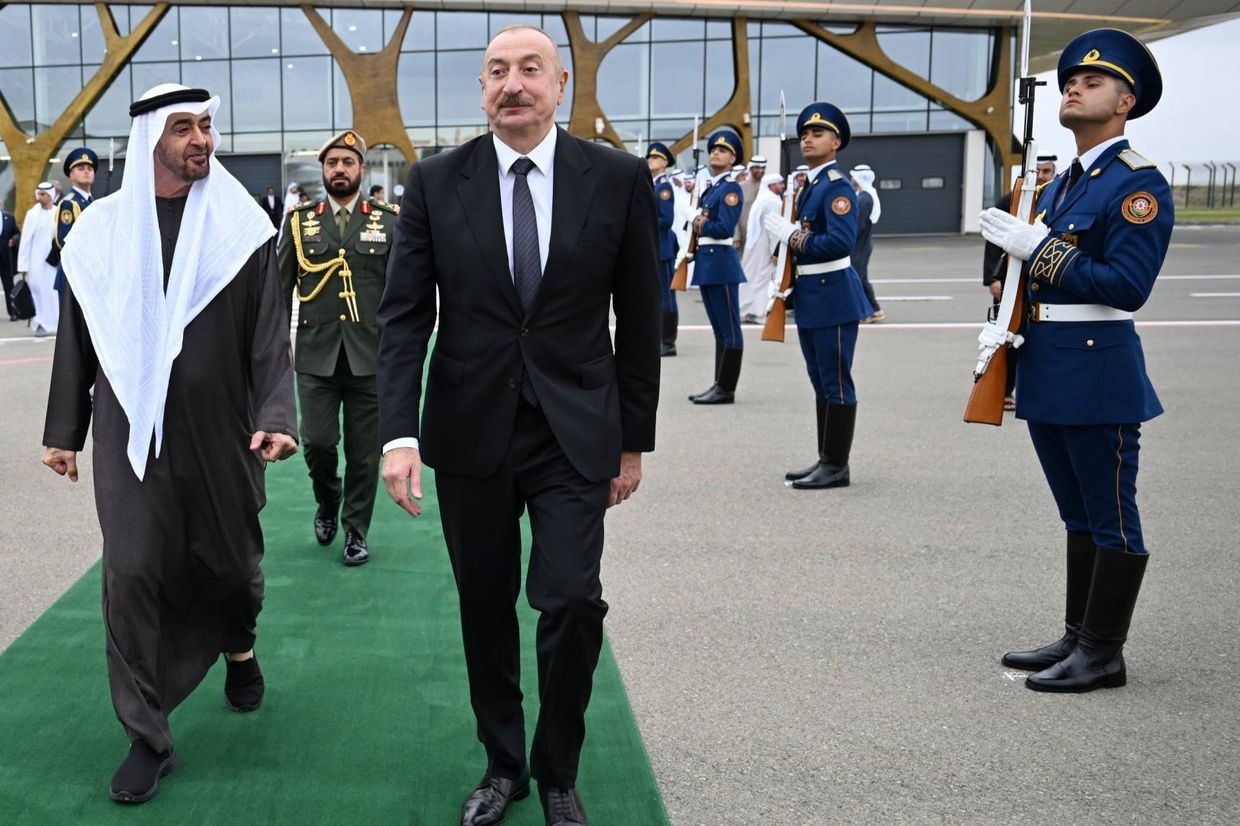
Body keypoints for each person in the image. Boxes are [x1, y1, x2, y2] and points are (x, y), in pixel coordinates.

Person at [376, 25, 659, 826]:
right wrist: (400, 435)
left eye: (530, 70)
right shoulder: (436, 182)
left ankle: (558, 767)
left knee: (571, 600)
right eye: (497, 72)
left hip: (576, 430)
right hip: (471, 431)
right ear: (481, 89)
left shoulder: (615, 178)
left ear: (560, 83)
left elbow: (640, 318)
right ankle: (504, 767)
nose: (513, 85)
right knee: (484, 606)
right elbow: (404, 318)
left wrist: (631, 442)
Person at [41, 84, 297, 803]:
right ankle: (147, 736)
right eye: (184, 127)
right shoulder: (98, 233)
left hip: (225, 429)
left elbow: (268, 334)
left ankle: (239, 646)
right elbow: (78, 334)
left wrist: (278, 412)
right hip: (130, 433)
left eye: (207, 126)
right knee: (132, 573)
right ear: (151, 137)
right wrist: (65, 430)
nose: (202, 140)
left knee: (233, 566)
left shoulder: (240, 226)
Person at [979, 30, 1171, 693]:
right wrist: (1003, 329)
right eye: (1070, 80)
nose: (1074, 87)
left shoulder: (1137, 184)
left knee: (1111, 515)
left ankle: (1105, 653)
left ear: (1125, 101)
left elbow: (1125, 286)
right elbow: (1037, 282)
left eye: (1092, 82)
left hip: (1098, 372)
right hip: (1051, 366)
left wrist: (1040, 249)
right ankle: (1078, 635)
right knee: (1077, 515)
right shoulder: (1062, 184)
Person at [278, 129, 398, 566]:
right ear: (323, 171)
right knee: (318, 443)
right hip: (316, 355)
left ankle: (355, 531)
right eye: (332, 163)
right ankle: (327, 501)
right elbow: (279, 288)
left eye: (348, 163)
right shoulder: (300, 222)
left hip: (370, 357)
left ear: (361, 170)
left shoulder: (388, 221)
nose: (340, 170)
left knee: (365, 455)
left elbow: (402, 293)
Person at [764, 103, 874, 490]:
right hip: (813, 295)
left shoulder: (837, 186)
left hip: (835, 295)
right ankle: (826, 457)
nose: (808, 139)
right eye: (805, 134)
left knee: (836, 381)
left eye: (818, 133)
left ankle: (837, 466)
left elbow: (839, 243)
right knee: (820, 379)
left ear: (836, 141)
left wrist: (791, 235)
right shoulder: (811, 185)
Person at [981, 155, 1057, 410]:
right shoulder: (1012, 200)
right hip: (1009, 281)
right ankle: (1002, 390)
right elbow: (994, 239)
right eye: (1038, 171)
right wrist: (993, 277)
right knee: (1006, 336)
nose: (1042, 176)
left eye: (1047, 171)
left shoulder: (1058, 198)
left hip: (1043, 281)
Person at [687, 129, 748, 405]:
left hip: (721, 262)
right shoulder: (712, 188)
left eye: (723, 150)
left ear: (733, 157)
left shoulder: (731, 189)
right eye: (713, 149)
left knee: (730, 329)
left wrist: (697, 220)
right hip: (709, 263)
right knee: (719, 330)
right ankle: (718, 383)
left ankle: (726, 388)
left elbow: (723, 228)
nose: (715, 153)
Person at [49, 146, 97, 298]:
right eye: (80, 168)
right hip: (75, 275)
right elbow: (64, 242)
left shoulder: (91, 202)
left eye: (90, 168)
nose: (86, 171)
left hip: (89, 274)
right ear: (71, 175)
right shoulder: (69, 204)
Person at [646, 141, 679, 356]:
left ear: (665, 162)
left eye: (656, 158)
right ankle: (661, 338)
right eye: (650, 157)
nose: (651, 160)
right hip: (656, 247)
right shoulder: (654, 184)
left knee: (667, 296)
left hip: (664, 248)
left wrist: (642, 222)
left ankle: (668, 341)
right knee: (658, 296)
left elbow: (666, 220)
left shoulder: (664, 187)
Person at [738, 174, 785, 323]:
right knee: (763, 279)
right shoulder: (772, 202)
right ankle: (759, 313)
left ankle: (747, 310)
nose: (782, 186)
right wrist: (776, 251)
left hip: (754, 246)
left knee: (751, 276)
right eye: (779, 184)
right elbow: (774, 228)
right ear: (771, 186)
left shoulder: (762, 199)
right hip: (765, 247)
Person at [16, 183, 60, 334]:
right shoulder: (32, 214)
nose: (40, 198)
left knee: (52, 292)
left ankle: (55, 323)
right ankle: (38, 324)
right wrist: (23, 266)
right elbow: (25, 240)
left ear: (50, 196)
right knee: (36, 291)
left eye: (43, 195)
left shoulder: (57, 212)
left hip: (53, 261)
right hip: (36, 262)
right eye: (39, 194)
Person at [850, 164, 885, 323]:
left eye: (853, 176)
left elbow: (857, 225)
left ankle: (873, 310)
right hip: (862, 243)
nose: (851, 179)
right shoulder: (865, 195)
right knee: (859, 277)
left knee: (859, 278)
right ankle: (869, 310)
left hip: (860, 245)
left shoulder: (864, 198)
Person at [736, 155, 766, 253]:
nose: (760, 171)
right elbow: (734, 212)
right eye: (757, 168)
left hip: (762, 236)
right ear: (751, 168)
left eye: (763, 168)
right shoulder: (740, 187)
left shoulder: (766, 187)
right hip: (743, 236)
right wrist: (736, 236)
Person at [1, 206, 18, 321]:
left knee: (9, 286)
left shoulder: (9, 218)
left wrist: (13, 239)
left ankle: (13, 312)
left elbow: (17, 233)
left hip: (5, 259)